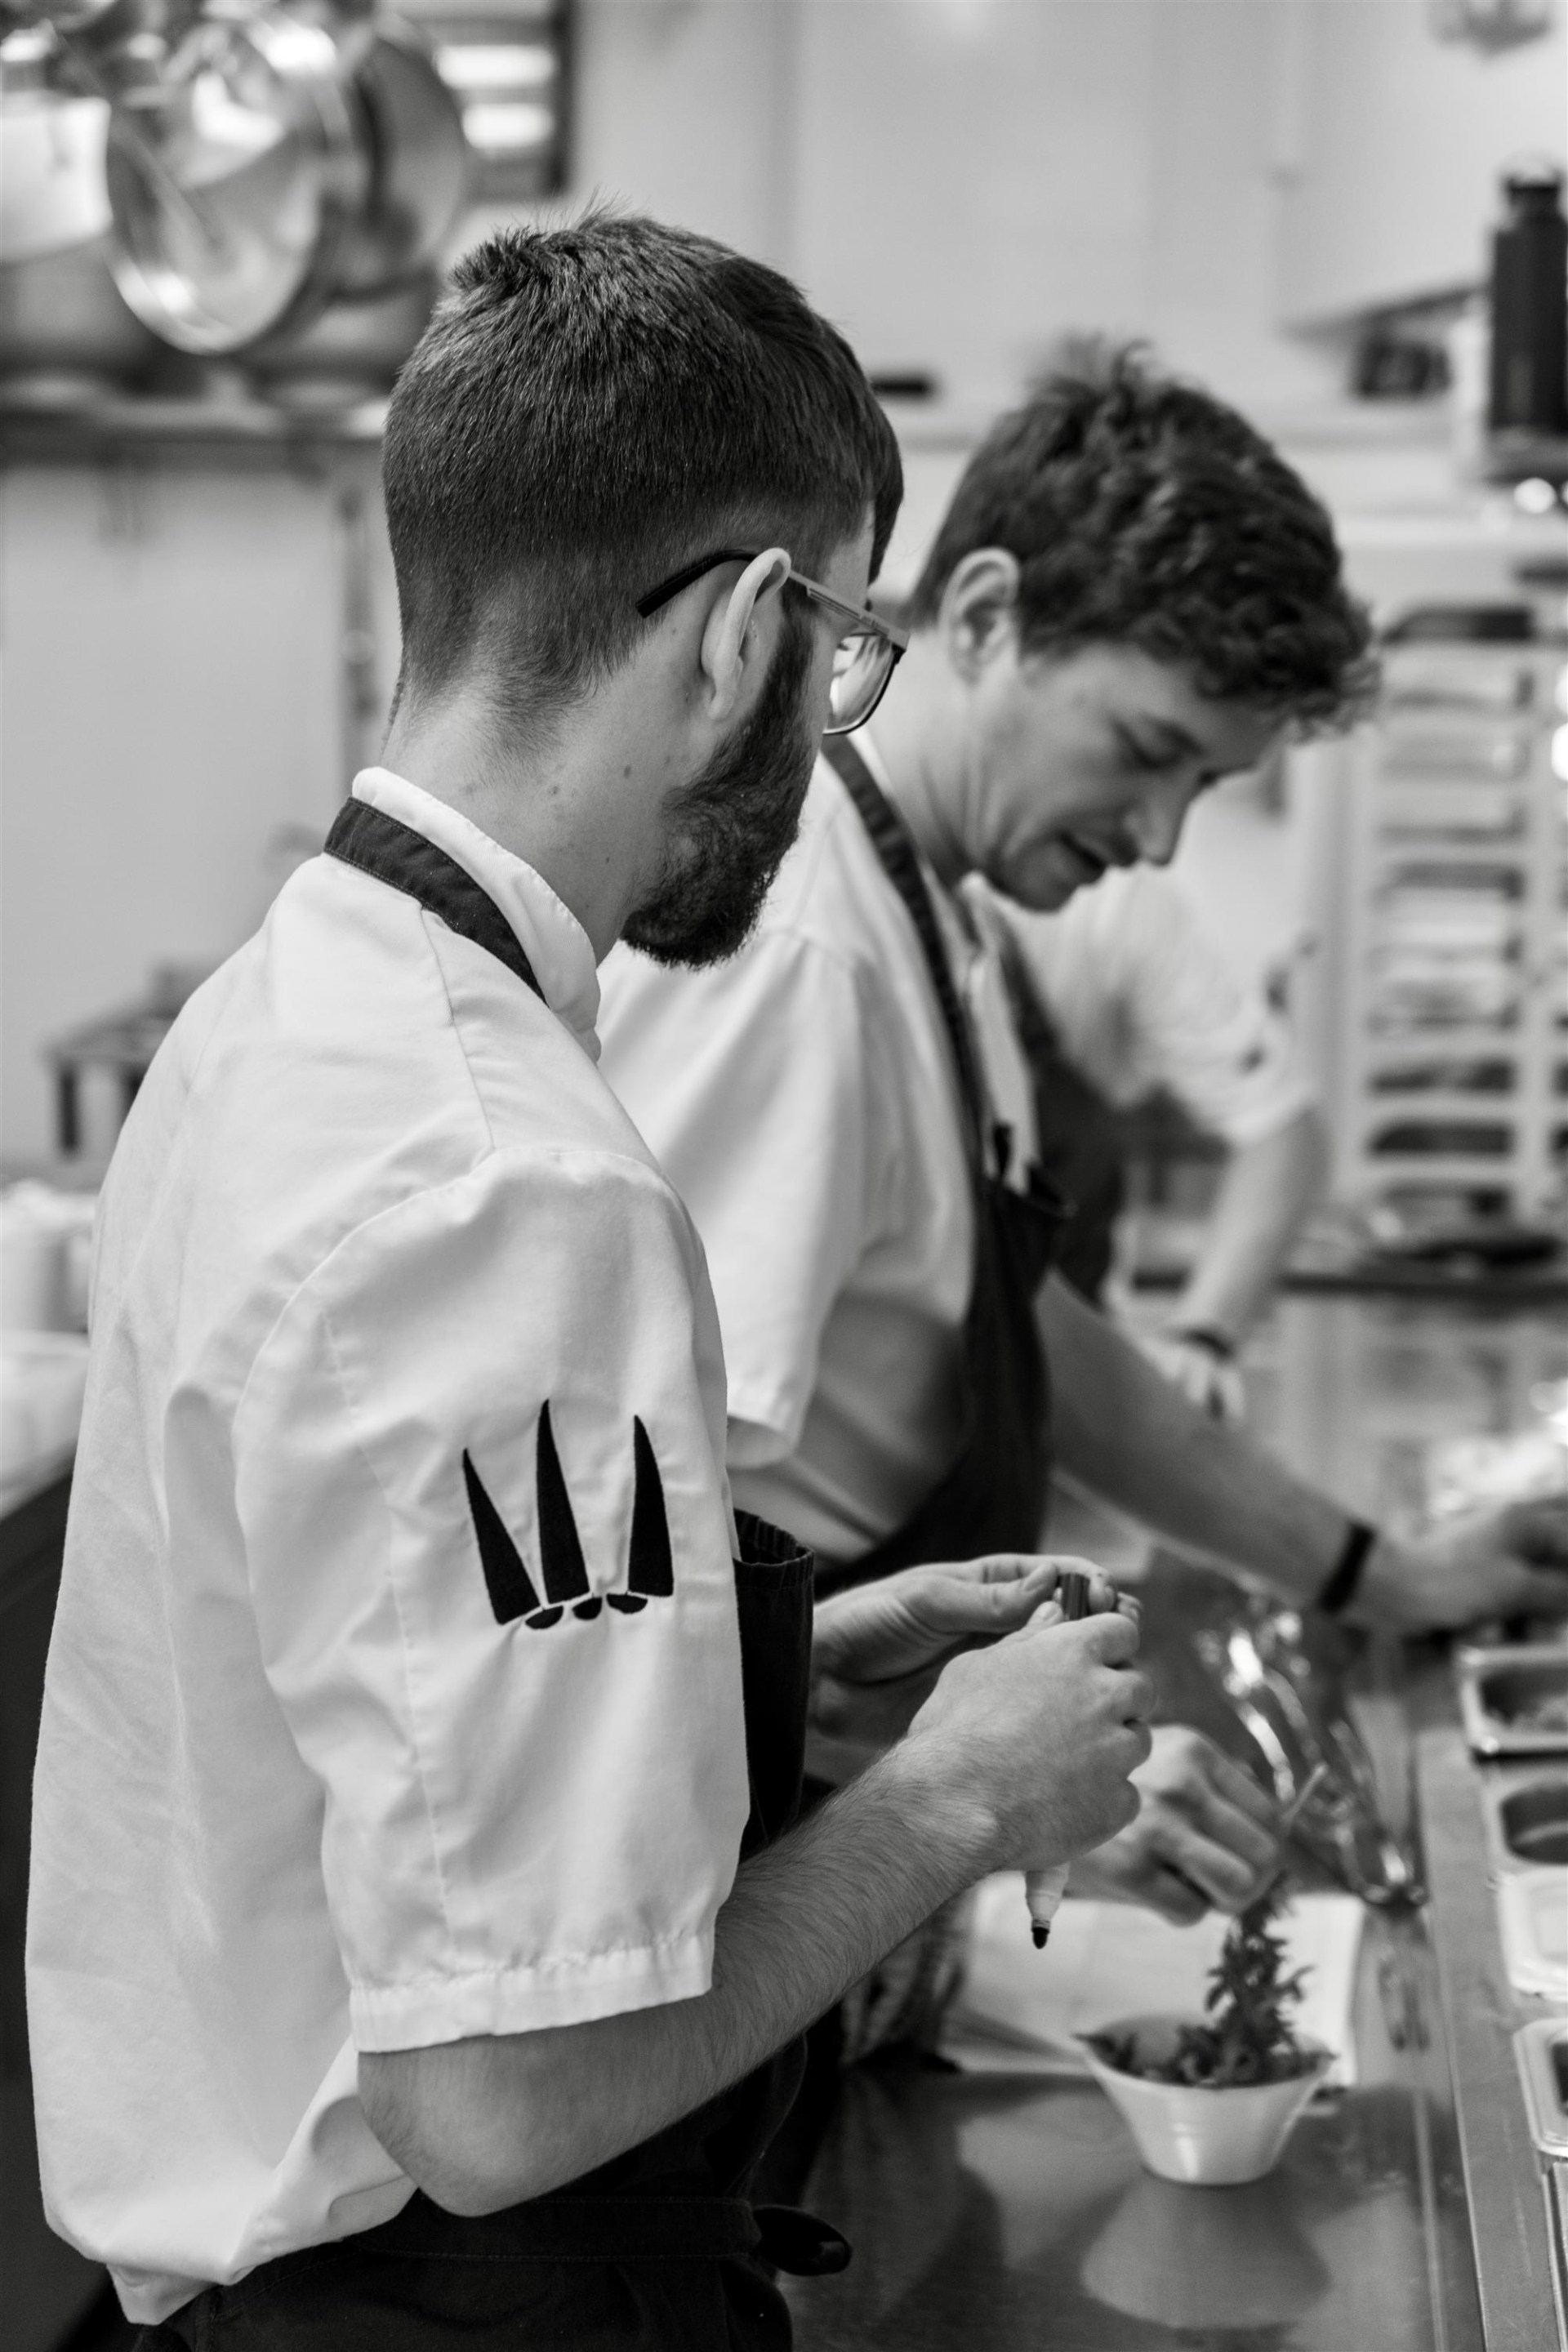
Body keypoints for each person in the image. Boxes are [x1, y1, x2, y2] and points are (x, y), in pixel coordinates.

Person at [26, 219, 1156, 2352]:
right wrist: (953, 1802)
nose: (832, 722)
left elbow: (357, 1674)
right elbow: (504, 2100)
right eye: (847, 650)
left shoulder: (285, 1010)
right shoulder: (501, 1181)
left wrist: (757, 1665)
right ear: (747, 632)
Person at [597, 349, 1568, 1923]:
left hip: (830, 1812)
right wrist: (975, 1789)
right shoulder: (802, 949)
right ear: (985, 617)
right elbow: (641, 1542)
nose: (1161, 839)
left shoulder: (937, 915)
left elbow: (1030, 1334)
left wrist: (1378, 1572)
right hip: (740, 1868)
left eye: (1207, 784)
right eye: (1147, 751)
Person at [988, 858, 1326, 1420]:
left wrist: (1200, 1337)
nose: (1157, 840)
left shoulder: (1114, 907)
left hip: (1073, 1358)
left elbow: (1281, 1127)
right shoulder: (851, 910)